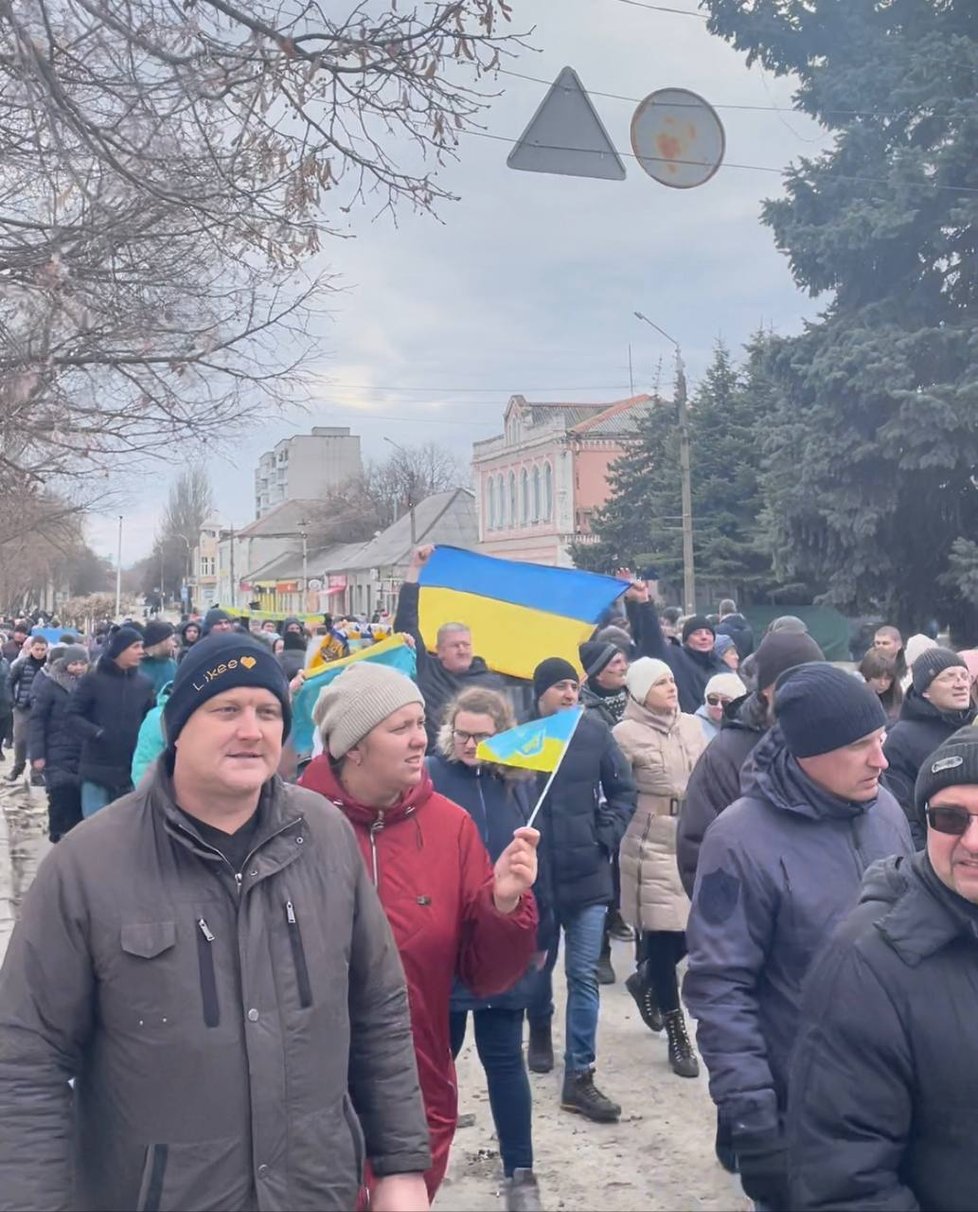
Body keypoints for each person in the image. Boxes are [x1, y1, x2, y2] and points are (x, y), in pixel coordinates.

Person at [0, 632, 433, 1212]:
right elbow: (28, 1059)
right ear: (179, 726)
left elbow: (378, 1006)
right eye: (226, 709)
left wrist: (402, 1166)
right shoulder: (87, 865)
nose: (251, 730)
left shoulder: (324, 836)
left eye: (268, 711)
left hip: (313, 1191)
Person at [298, 662, 538, 1201]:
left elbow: (486, 974)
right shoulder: (292, 823)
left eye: (420, 724)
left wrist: (503, 905)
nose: (420, 739)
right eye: (399, 727)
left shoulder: (450, 826)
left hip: (416, 1083)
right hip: (306, 1090)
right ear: (353, 747)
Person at [684, 664, 913, 1211]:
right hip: (806, 1117)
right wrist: (753, 1121)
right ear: (807, 749)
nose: (880, 759)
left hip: (899, 1104)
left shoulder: (886, 808)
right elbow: (720, 990)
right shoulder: (739, 839)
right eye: (860, 745)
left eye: (881, 739)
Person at [788, 726, 978, 1211]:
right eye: (951, 818)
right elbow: (844, 1180)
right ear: (925, 824)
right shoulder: (866, 964)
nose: (973, 841)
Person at [427, 687, 548, 1212]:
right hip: (444, 944)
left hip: (503, 939)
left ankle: (521, 1174)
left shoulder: (520, 786)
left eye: (483, 735)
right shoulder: (429, 777)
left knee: (504, 1058)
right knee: (433, 1063)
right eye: (463, 734)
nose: (472, 744)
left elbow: (547, 866)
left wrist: (541, 935)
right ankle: (416, 1165)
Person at [523, 657, 636, 1123]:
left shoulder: (594, 733)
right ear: (541, 694)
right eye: (560, 687)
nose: (570, 694)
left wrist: (603, 836)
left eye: (574, 686)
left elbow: (624, 791)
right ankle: (541, 1027)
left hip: (587, 877)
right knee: (536, 970)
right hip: (538, 880)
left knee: (583, 976)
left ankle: (580, 1074)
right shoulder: (520, 741)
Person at [677, 629, 825, 899]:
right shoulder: (726, 753)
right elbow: (698, 849)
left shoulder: (835, 743)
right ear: (767, 690)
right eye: (795, 680)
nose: (808, 690)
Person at [612, 658, 706, 1078]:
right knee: (665, 935)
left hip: (692, 833)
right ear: (639, 690)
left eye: (672, 678)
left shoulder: (691, 725)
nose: (671, 686)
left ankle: (645, 977)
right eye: (660, 682)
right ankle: (676, 1030)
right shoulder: (623, 734)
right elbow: (613, 789)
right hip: (649, 837)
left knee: (697, 929)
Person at [394, 544, 505, 749]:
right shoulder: (425, 669)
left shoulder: (491, 683)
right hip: (431, 761)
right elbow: (406, 623)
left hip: (478, 765)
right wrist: (415, 569)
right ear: (440, 650)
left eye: (466, 645)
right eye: (455, 646)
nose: (462, 650)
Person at [578, 637, 634, 974]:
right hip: (602, 804)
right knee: (604, 877)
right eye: (614, 664)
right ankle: (600, 953)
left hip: (633, 803)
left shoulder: (636, 699)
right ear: (598, 674)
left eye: (623, 661)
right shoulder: (589, 713)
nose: (623, 667)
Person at [883, 648, 976, 847]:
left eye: (964, 676)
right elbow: (902, 813)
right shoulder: (901, 739)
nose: (961, 684)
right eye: (949, 677)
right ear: (924, 690)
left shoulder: (973, 728)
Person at [66, 625, 155, 816]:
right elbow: (72, 715)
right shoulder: (93, 681)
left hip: (130, 770)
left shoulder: (144, 684)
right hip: (96, 768)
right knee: (94, 828)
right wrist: (96, 733)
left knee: (125, 830)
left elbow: (150, 721)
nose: (142, 651)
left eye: (142, 646)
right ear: (119, 650)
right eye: (136, 646)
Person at [624, 579, 727, 714]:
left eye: (708, 633)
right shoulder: (676, 658)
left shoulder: (721, 665)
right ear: (686, 639)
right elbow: (648, 637)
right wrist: (640, 602)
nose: (704, 637)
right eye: (697, 633)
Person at [27, 644, 89, 842]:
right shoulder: (51, 686)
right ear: (65, 665)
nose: (79, 668)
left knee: (79, 797)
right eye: (74, 664)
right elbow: (37, 720)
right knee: (61, 792)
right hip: (56, 749)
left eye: (82, 664)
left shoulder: (91, 686)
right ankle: (58, 835)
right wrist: (37, 754)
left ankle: (74, 842)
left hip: (84, 750)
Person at [7, 634, 48, 782]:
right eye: (37, 649)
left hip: (42, 708)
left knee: (38, 741)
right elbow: (9, 682)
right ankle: (18, 767)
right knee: (20, 740)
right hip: (22, 707)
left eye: (43, 649)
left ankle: (36, 773)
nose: (39, 652)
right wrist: (12, 700)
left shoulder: (49, 667)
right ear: (30, 649)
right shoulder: (21, 664)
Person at [694, 672, 747, 743]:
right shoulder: (695, 726)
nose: (719, 706)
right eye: (713, 700)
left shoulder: (747, 726)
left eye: (726, 702)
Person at [858, 647, 903, 721]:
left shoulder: (897, 696)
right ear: (866, 674)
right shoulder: (854, 697)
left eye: (887, 678)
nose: (882, 683)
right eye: (877, 677)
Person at [140, 618, 178, 698]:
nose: (174, 644)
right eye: (172, 639)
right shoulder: (137, 666)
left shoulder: (173, 664)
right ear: (161, 642)